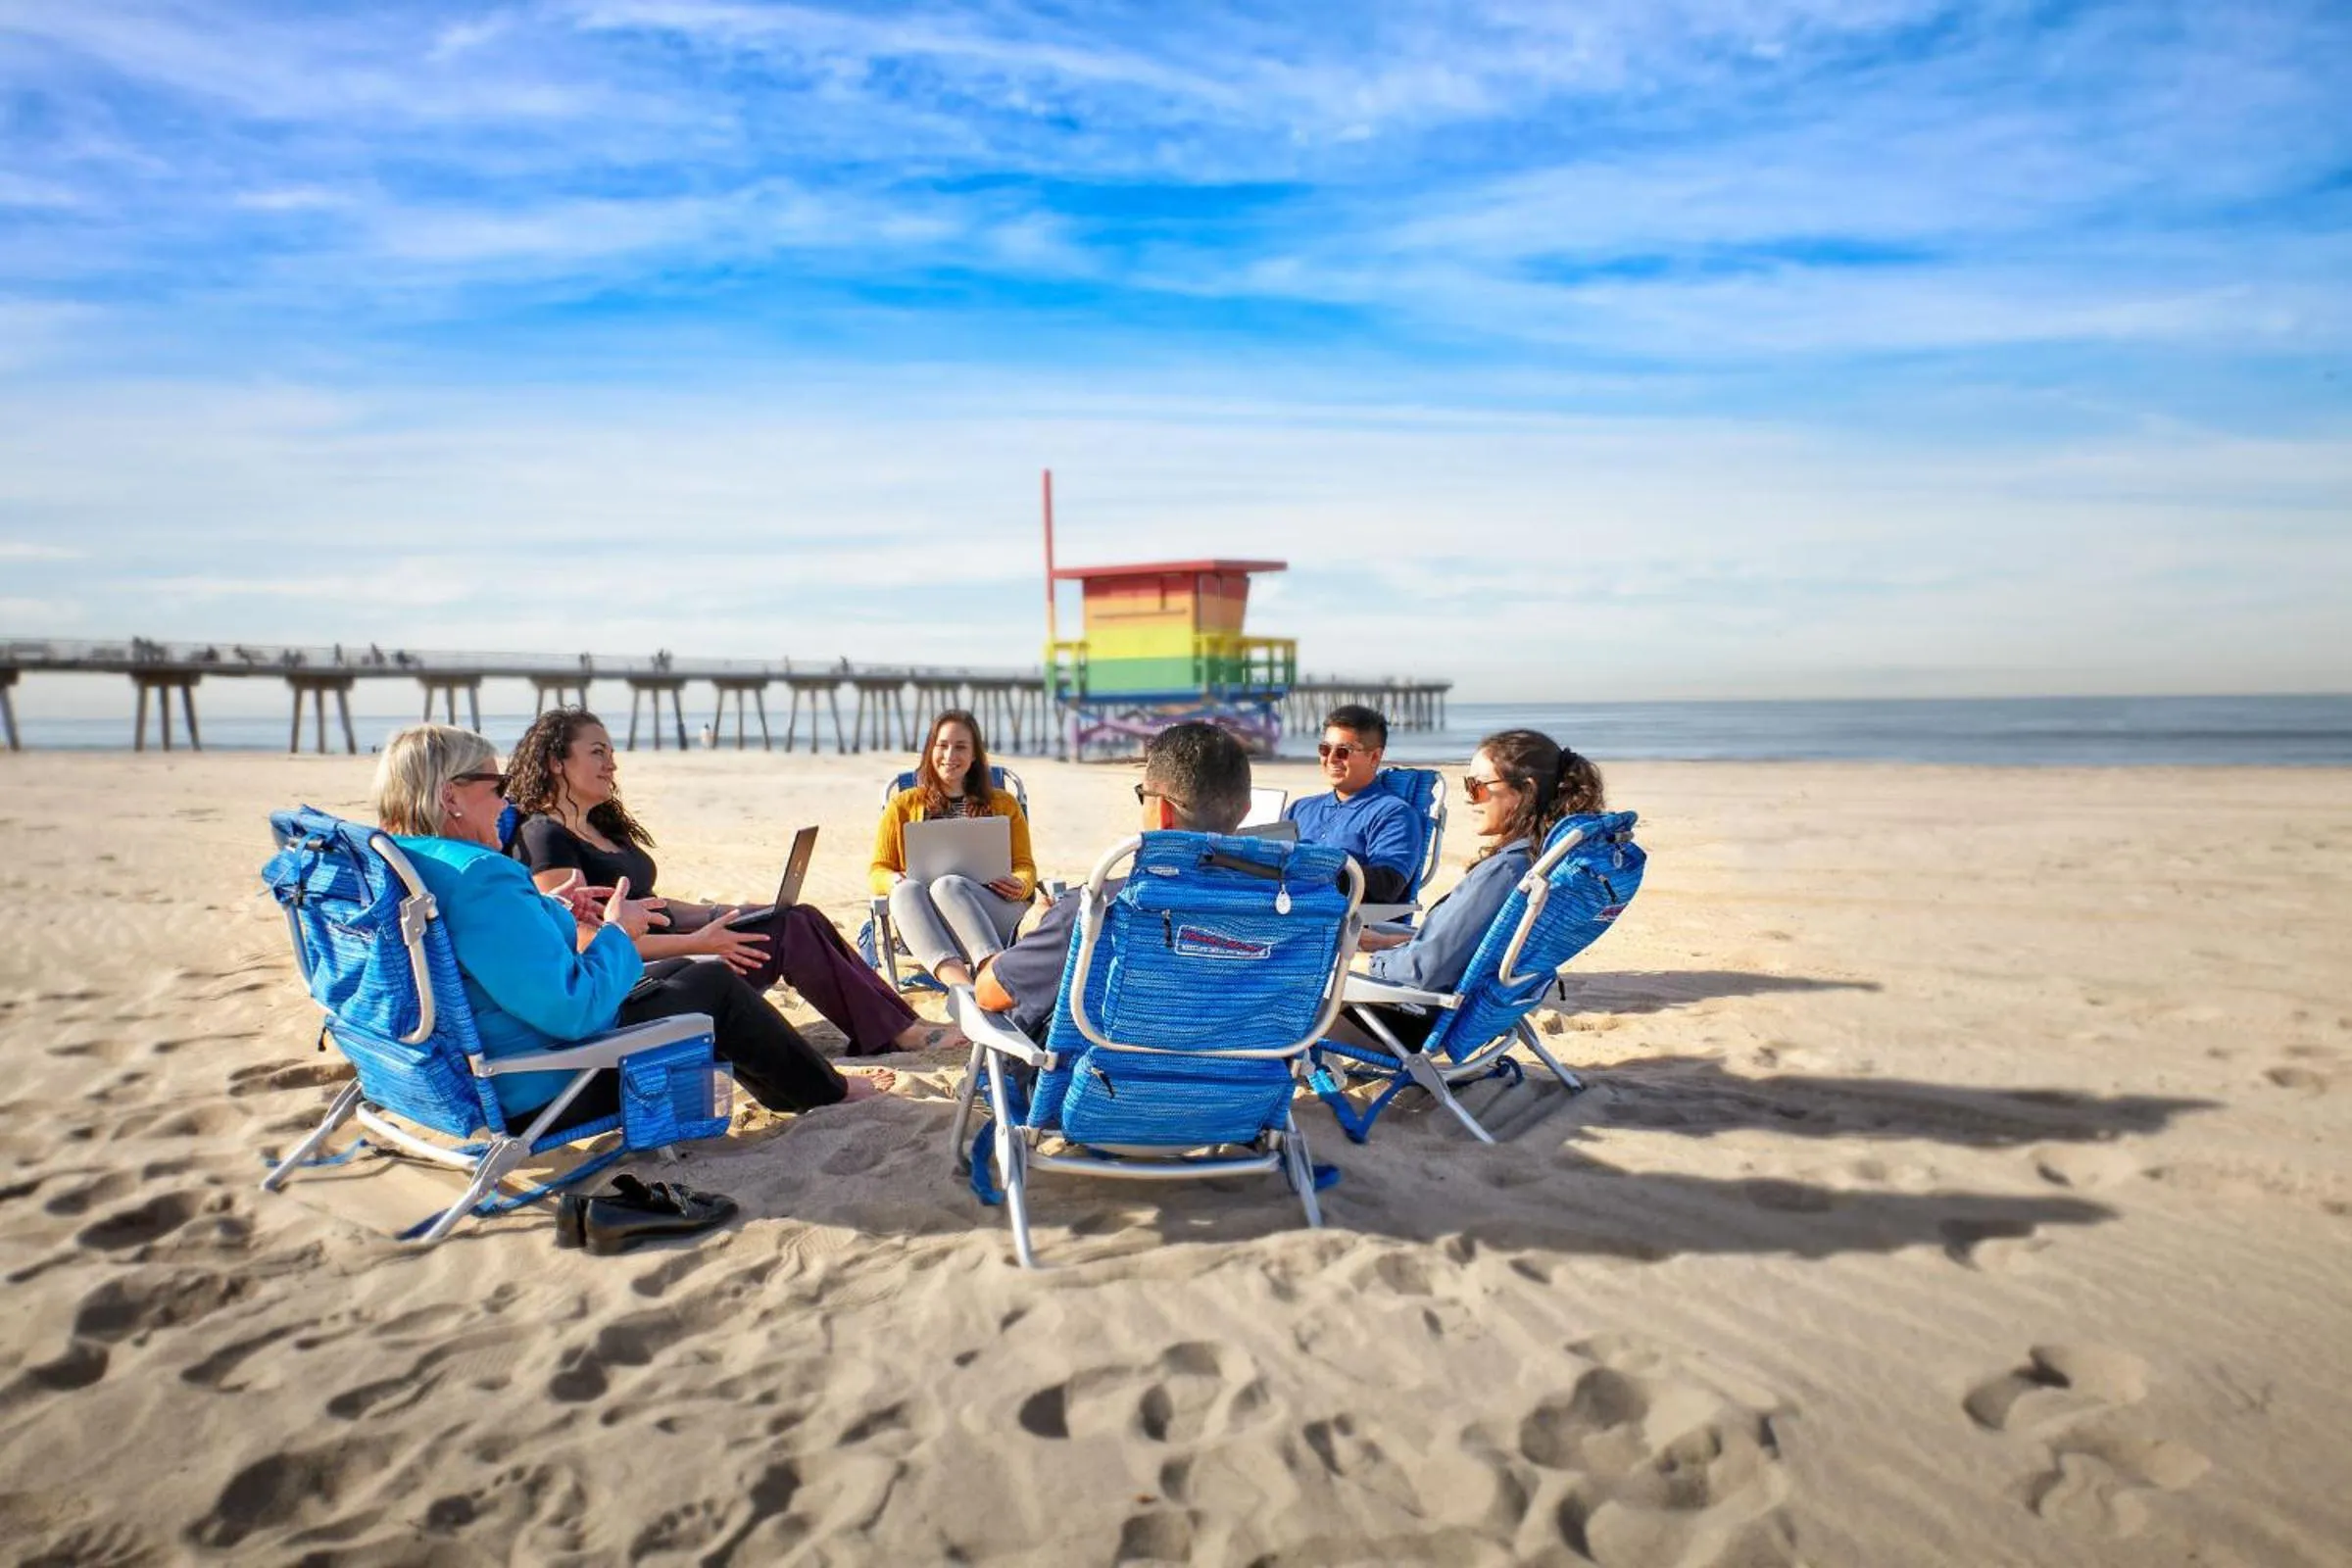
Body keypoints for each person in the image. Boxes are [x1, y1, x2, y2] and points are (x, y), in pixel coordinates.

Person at [371, 723, 889, 1123]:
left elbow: (500, 955)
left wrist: (552, 909)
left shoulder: (406, 863)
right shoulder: (480, 876)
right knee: (710, 984)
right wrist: (618, 930)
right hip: (538, 1085)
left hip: (459, 1066)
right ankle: (828, 1092)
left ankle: (800, 1086)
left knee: (682, 971)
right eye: (496, 783)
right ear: (450, 796)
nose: (507, 800)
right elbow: (571, 1011)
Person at [506, 708, 956, 1058]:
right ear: (556, 762)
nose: (611, 766)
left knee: (797, 915)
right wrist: (699, 944)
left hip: (687, 945)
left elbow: (656, 905)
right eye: (597, 753)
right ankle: (899, 1033)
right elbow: (582, 942)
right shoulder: (545, 836)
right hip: (652, 975)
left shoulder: (601, 826)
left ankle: (901, 1023)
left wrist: (724, 913)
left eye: (611, 753)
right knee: (792, 933)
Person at [952, 721, 1253, 1041]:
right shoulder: (1282, 914)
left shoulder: (1097, 911)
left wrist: (1034, 929)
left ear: (1163, 811)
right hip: (1243, 1085)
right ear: (1245, 812)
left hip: (1106, 1085)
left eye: (1143, 795)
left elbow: (988, 993)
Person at [1332, 729, 1605, 1054]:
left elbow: (1424, 972)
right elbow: (1479, 948)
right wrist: (1395, 942)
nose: (1468, 798)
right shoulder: (1541, 867)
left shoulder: (1507, 872)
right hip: (1445, 1010)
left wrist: (1371, 962)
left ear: (1524, 792)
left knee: (1281, 997)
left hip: (1402, 1022)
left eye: (1477, 787)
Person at [872, 710, 1038, 985]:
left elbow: (1025, 865)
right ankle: (963, 987)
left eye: (961, 747)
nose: (950, 756)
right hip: (929, 924)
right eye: (942, 745)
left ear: (974, 755)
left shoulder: (1004, 804)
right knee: (904, 891)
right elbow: (878, 870)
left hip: (995, 910)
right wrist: (893, 880)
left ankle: (992, 976)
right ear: (930, 750)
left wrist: (1021, 884)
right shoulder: (902, 806)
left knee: (947, 885)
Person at [1283, 704, 1422, 905]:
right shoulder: (1300, 809)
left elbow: (1387, 886)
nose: (1330, 759)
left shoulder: (1394, 814)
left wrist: (1315, 867)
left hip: (1335, 922)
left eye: (1343, 752)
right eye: (1324, 749)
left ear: (1374, 757)